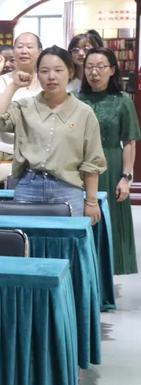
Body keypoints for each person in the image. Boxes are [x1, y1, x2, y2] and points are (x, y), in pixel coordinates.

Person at [0, 46, 107, 222]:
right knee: (27, 236)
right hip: (28, 186)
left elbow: (92, 161)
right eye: (44, 71)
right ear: (38, 74)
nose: (51, 76)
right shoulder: (24, 106)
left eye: (58, 70)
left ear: (70, 72)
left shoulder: (84, 112)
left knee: (67, 238)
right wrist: (14, 86)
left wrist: (91, 201)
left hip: (67, 187)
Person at [79, 48, 141, 274]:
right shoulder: (76, 100)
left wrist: (126, 177)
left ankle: (107, 275)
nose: (94, 72)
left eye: (100, 67)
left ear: (112, 70)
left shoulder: (123, 102)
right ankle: (85, 273)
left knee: (111, 220)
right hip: (81, 165)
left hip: (111, 165)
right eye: (89, 67)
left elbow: (129, 142)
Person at [0, 33, 43, 164]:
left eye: (29, 47)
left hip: (37, 152)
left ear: (39, 51)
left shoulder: (45, 81)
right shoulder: (1, 80)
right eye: (20, 47)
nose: (24, 51)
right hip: (3, 151)